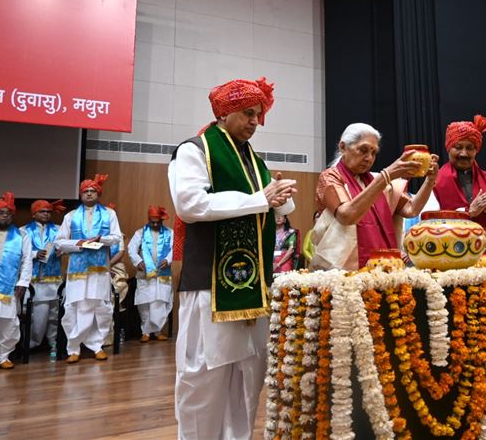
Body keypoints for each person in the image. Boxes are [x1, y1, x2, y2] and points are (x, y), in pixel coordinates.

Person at [169, 77, 296, 440]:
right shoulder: (194, 150)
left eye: (258, 114)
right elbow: (190, 205)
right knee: (202, 379)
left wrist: (280, 195)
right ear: (224, 113)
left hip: (253, 290)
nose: (255, 121)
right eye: (247, 113)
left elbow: (274, 205)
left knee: (248, 380)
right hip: (209, 286)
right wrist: (261, 199)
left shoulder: (253, 160)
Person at [314, 122, 439, 269]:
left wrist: (430, 181)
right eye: (363, 150)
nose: (369, 158)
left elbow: (411, 209)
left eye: (373, 152)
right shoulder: (331, 177)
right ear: (343, 147)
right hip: (340, 269)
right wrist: (386, 176)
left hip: (380, 267)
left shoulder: (376, 181)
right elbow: (346, 215)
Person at [54, 174, 123, 363]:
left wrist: (102, 239)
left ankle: (96, 345)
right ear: (80, 195)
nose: (90, 194)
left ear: (98, 193)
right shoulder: (70, 216)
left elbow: (116, 237)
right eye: (86, 191)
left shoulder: (110, 214)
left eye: (93, 191)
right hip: (77, 271)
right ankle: (73, 348)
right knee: (75, 307)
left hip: (100, 268)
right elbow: (59, 243)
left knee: (100, 307)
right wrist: (80, 243)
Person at [431, 115, 486, 251]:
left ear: (476, 150)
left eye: (470, 148)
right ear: (449, 148)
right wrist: (468, 213)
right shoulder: (434, 181)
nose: (464, 153)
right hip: (450, 260)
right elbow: (427, 225)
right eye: (458, 147)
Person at [0, 193, 31, 369]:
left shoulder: (21, 235)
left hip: (9, 288)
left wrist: (23, 282)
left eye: (9, 213)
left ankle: (3, 356)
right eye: (1, 212)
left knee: (8, 324)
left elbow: (27, 261)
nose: (5, 215)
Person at [21, 199, 65, 350]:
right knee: (36, 313)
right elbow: (18, 254)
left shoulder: (59, 229)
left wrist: (62, 251)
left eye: (48, 212)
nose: (46, 214)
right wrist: (34, 254)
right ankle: (32, 343)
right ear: (34, 214)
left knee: (54, 312)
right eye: (42, 211)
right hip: (35, 279)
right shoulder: (24, 230)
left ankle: (53, 342)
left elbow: (64, 246)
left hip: (54, 277)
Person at [127, 205, 173, 342]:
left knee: (160, 301)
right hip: (145, 274)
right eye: (151, 221)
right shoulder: (140, 233)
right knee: (145, 302)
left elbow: (174, 249)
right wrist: (138, 261)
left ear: (161, 220)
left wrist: (168, 259)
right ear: (148, 219)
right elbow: (131, 249)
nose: (154, 224)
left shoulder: (170, 232)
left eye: (157, 222)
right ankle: (146, 332)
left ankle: (157, 331)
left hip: (163, 273)